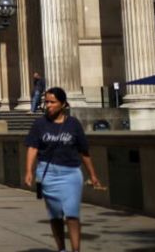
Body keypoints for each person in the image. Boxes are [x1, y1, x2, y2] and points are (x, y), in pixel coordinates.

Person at [24, 87, 103, 252]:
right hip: (47, 173)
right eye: (46, 102)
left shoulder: (73, 124)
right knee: (56, 215)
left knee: (72, 214)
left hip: (71, 173)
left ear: (63, 104)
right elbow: (32, 148)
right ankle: (61, 249)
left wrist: (93, 175)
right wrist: (29, 171)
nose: (48, 105)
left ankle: (76, 249)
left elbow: (84, 151)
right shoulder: (39, 124)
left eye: (52, 102)